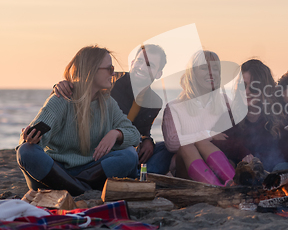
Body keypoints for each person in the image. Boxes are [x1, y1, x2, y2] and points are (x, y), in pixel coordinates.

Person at [17, 46, 141, 196]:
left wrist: (116, 133)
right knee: (26, 151)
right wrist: (31, 139)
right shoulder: (61, 99)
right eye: (109, 69)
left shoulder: (108, 103)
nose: (113, 73)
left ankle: (73, 186)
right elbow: (32, 144)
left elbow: (134, 135)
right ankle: (83, 189)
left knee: (129, 154)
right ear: (92, 70)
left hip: (89, 170)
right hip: (56, 169)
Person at [53, 44, 173, 175]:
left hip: (125, 145)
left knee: (167, 149)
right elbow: (82, 87)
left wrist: (147, 140)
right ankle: (132, 173)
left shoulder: (154, 101)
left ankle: (137, 174)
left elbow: (142, 131)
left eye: (150, 65)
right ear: (132, 63)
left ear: (159, 74)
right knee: (129, 154)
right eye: (139, 61)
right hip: (100, 147)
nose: (142, 67)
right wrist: (62, 85)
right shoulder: (111, 81)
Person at [211, 59, 288, 173]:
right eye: (243, 86)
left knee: (280, 168)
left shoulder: (281, 112)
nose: (246, 92)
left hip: (285, 171)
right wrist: (242, 151)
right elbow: (215, 141)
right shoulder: (230, 116)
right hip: (253, 179)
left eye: (253, 87)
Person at [162, 50, 235, 186]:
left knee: (199, 144)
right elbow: (172, 143)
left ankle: (234, 185)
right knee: (187, 147)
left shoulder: (225, 102)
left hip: (219, 164)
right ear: (192, 73)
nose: (211, 73)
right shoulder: (174, 107)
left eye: (215, 68)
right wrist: (208, 135)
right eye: (204, 68)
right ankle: (217, 188)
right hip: (187, 170)